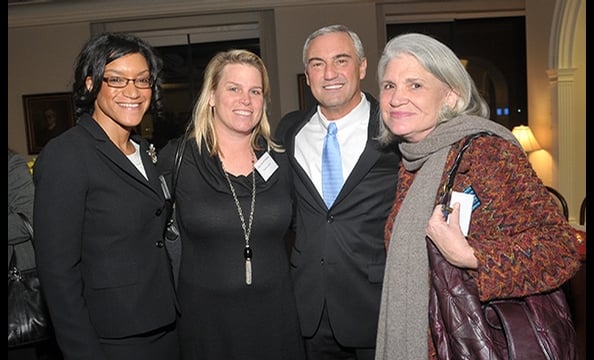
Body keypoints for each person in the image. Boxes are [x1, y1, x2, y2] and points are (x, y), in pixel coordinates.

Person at [373, 32, 582, 360]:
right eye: (389, 86)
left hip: (472, 344)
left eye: (415, 85)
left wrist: (472, 257)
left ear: (451, 97)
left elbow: (560, 249)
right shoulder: (413, 161)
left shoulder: (484, 153)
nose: (397, 98)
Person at [32, 32, 179, 360]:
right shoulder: (66, 155)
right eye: (117, 79)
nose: (133, 91)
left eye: (142, 80)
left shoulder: (142, 150)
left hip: (164, 325)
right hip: (111, 338)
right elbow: (58, 273)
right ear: (90, 84)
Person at [156, 49, 305, 359]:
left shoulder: (279, 159)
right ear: (211, 95)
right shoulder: (177, 160)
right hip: (205, 326)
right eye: (234, 88)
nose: (246, 100)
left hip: (276, 322)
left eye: (255, 91)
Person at [274, 24, 400, 360]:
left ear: (361, 67)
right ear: (307, 73)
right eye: (317, 63)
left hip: (375, 304)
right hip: (308, 308)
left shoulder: (394, 127)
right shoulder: (289, 129)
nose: (329, 73)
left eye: (340, 60)